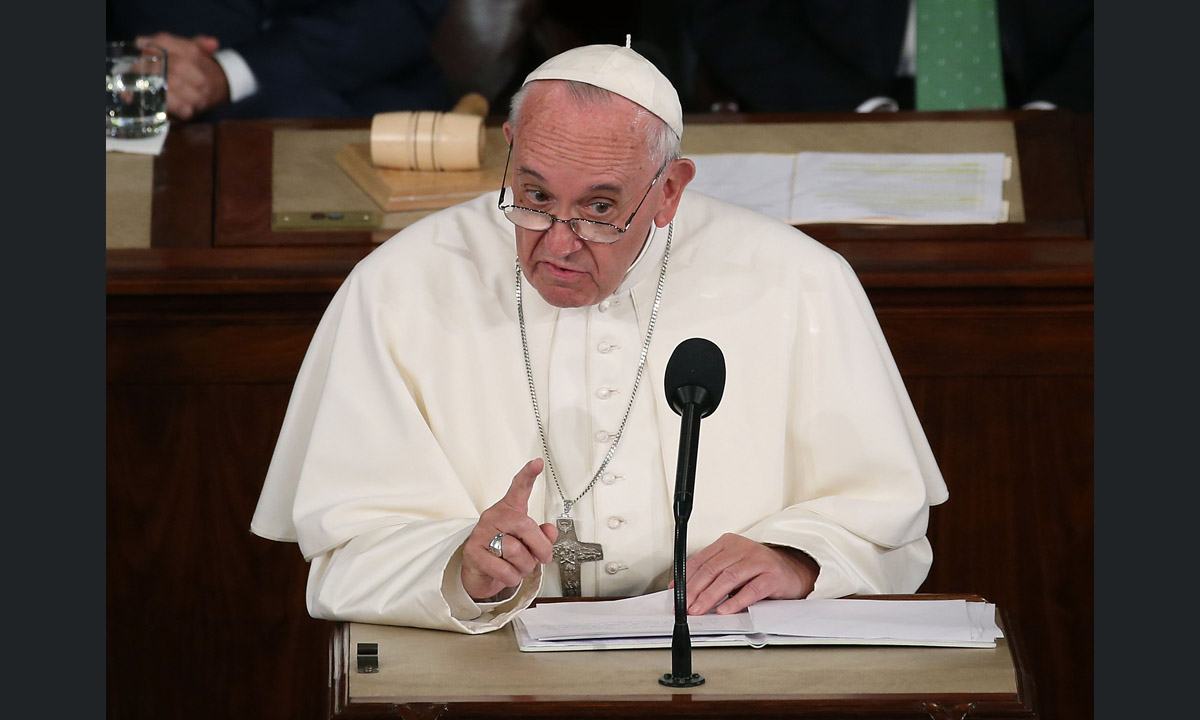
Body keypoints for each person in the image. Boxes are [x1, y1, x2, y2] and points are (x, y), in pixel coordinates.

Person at [250, 41, 949, 634]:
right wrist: (460, 566)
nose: (558, 241)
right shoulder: (399, 285)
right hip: (494, 668)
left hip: (723, 654)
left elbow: (882, 517)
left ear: (670, 190)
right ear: (511, 151)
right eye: (534, 196)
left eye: (600, 208)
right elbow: (348, 547)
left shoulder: (799, 280)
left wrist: (796, 558)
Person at [679, 0, 1093, 113]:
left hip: (1058, 101)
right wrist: (848, 106)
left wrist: (1060, 106)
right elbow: (734, 16)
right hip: (831, 99)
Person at [105, 0, 453, 121]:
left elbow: (401, 13)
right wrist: (122, 65)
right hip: (141, 108)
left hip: (369, 97)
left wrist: (224, 75)